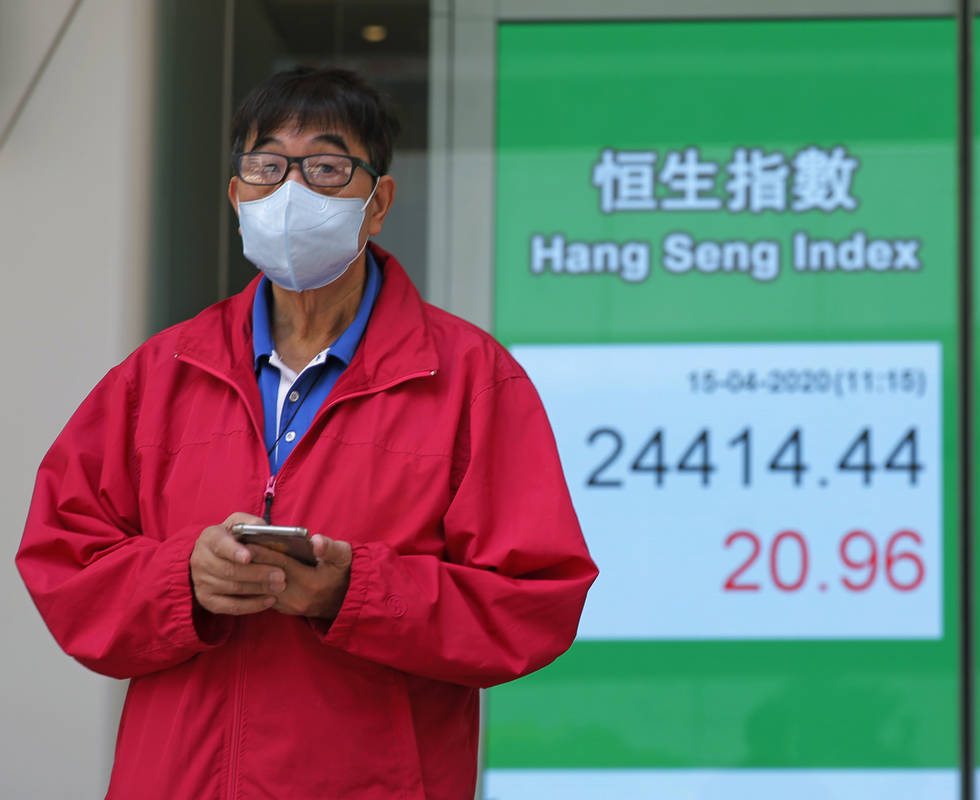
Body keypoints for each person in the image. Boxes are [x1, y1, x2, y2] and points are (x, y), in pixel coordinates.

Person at [15, 66, 596, 800]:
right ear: (237, 196)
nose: (291, 193)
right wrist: (183, 578)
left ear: (378, 201)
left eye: (326, 167)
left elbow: (534, 601)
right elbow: (63, 559)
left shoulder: (471, 380)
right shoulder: (158, 375)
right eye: (266, 167)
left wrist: (355, 592)